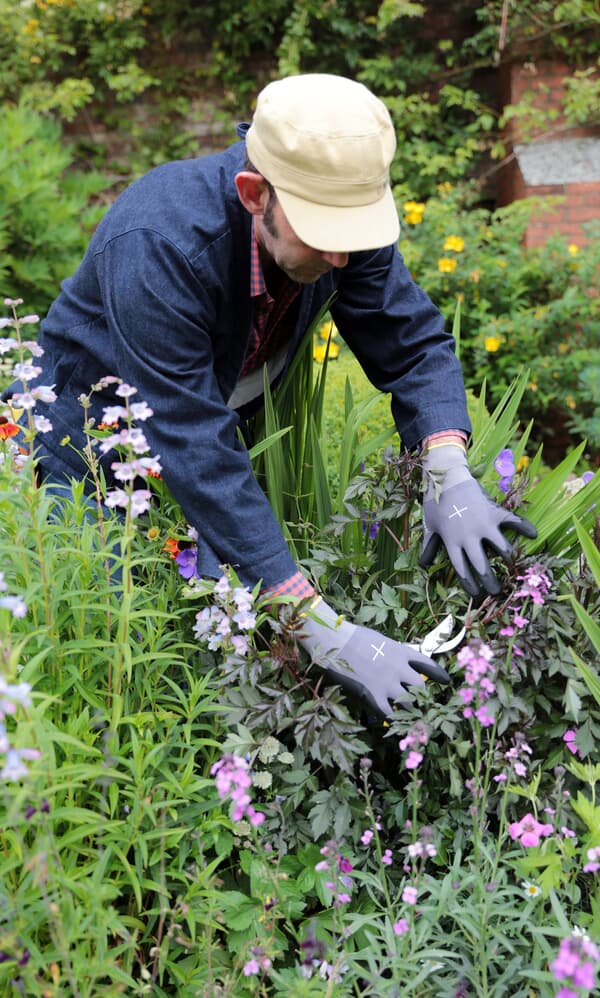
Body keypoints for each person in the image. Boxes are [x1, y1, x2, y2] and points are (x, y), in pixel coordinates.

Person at [3, 74, 536, 716]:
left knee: (209, 643)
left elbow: (412, 343)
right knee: (106, 667)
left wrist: (446, 468)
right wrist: (322, 631)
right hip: (74, 456)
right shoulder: (161, 245)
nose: (342, 257)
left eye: (353, 233)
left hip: (190, 451)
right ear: (255, 194)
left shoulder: (338, 230)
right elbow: (197, 450)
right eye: (322, 233)